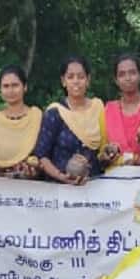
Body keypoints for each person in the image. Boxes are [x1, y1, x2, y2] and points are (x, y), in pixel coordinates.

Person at [33, 55, 111, 185]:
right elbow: (42, 156)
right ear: (63, 81)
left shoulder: (98, 108)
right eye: (70, 77)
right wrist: (62, 176)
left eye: (81, 77)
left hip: (94, 187)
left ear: (88, 80)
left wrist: (107, 156)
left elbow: (103, 151)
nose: (76, 81)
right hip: (60, 188)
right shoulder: (55, 112)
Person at [0, 65, 43, 178]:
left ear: (25, 87)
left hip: (33, 186)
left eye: (15, 85)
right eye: (6, 86)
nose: (10, 90)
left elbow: (44, 155)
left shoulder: (37, 116)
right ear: (0, 89)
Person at [103, 53, 140, 164]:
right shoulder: (109, 109)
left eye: (132, 73)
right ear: (116, 80)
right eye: (122, 74)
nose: (128, 78)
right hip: (116, 175)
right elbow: (103, 151)